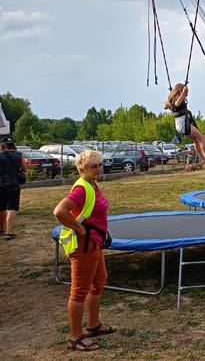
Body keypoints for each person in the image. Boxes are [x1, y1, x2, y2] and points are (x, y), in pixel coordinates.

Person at [53, 150, 116, 352]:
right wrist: (80, 229)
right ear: (82, 169)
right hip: (83, 246)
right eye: (93, 166)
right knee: (79, 291)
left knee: (98, 282)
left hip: (93, 243)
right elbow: (59, 211)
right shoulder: (81, 188)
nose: (98, 169)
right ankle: (75, 338)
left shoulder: (92, 184)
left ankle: (93, 326)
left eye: (100, 165)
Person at [164, 83, 205, 165]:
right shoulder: (177, 100)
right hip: (183, 124)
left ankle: (203, 159)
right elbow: (177, 104)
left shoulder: (173, 100)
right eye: (186, 92)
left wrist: (174, 93)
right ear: (180, 91)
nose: (187, 92)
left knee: (196, 140)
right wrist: (183, 93)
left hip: (180, 125)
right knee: (202, 138)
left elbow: (169, 105)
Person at [0, 136, 26, 240]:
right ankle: (9, 233)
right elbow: (24, 169)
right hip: (14, 185)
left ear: (3, 145)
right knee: (11, 208)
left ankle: (1, 229)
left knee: (1, 208)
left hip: (0, 185)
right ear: (13, 145)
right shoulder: (19, 155)